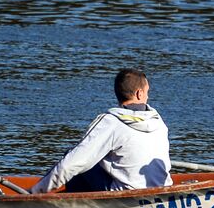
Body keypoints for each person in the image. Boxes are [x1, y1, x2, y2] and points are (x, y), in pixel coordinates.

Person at [30, 68, 170, 194]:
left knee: (72, 157)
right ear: (139, 94)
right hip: (161, 188)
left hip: (124, 195)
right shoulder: (158, 121)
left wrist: (36, 191)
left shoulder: (110, 122)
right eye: (147, 92)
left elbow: (71, 164)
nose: (148, 97)